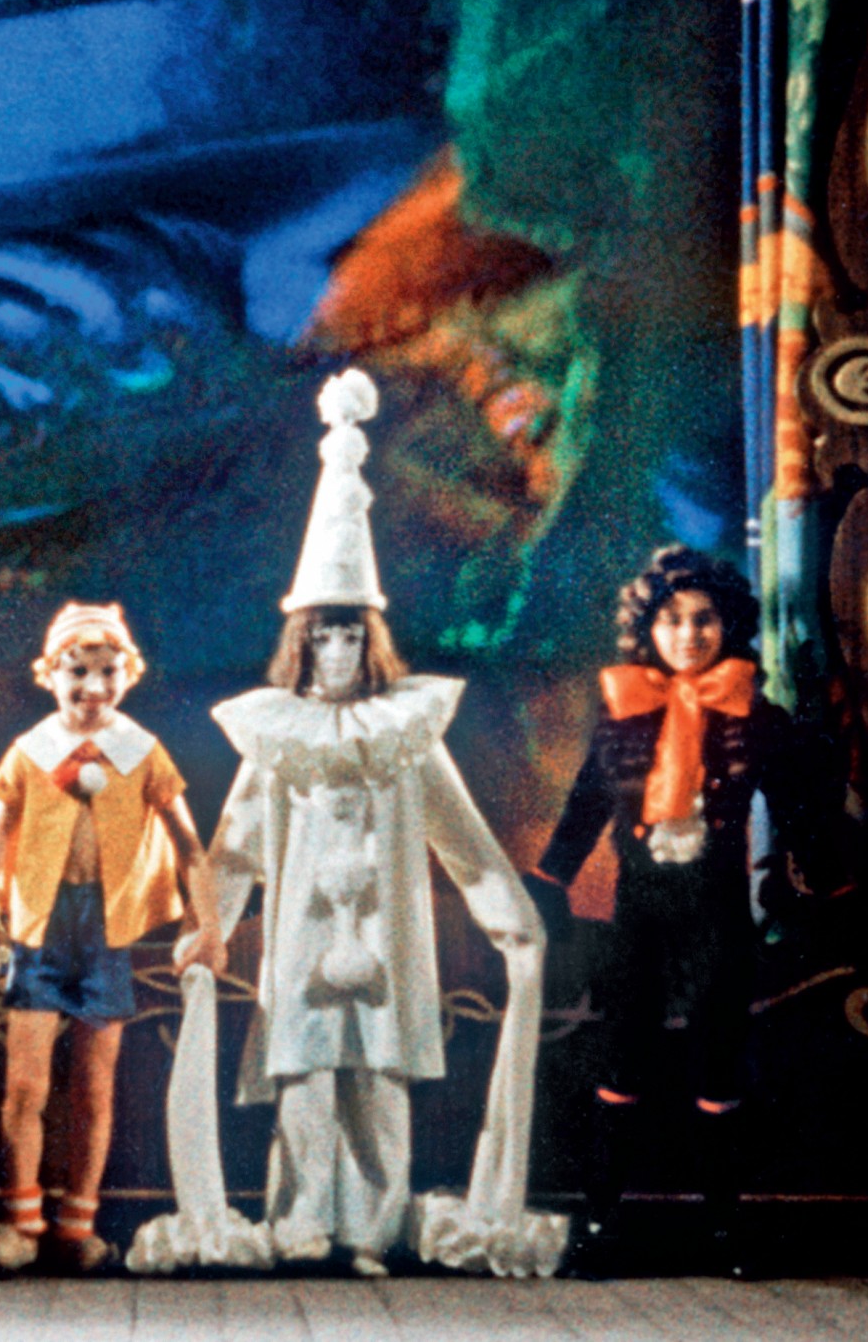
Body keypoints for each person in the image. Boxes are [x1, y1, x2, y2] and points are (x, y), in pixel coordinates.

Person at [129, 368, 563, 1278]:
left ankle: (369, 1227)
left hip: (388, 935)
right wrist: (212, 924)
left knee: (379, 1082)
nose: (336, 649)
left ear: (372, 642)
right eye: (323, 634)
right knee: (305, 1079)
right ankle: (300, 1222)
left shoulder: (404, 734)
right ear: (302, 642)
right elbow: (237, 842)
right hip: (303, 938)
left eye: (350, 634)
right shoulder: (278, 735)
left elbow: (464, 839)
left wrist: (510, 918)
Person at [524, 544, 810, 1275]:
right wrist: (548, 881)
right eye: (673, 619)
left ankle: (723, 1228)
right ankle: (600, 1221)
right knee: (623, 1056)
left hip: (718, 911)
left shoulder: (758, 718)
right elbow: (584, 807)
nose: (689, 634)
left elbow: (798, 813)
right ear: (648, 629)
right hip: (640, 911)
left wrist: (827, 885)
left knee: (720, 1062)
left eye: (704, 619)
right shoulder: (622, 714)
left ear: (728, 624)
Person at [0, 602, 226, 1271]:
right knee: (25, 1088)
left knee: (95, 1085)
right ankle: (20, 1222)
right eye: (78, 670)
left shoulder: (141, 751)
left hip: (105, 931)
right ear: (50, 674)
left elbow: (189, 846)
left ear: (129, 674)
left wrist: (206, 925)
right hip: (42, 930)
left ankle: (78, 1223)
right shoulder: (31, 751)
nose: (93, 686)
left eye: (107, 671)